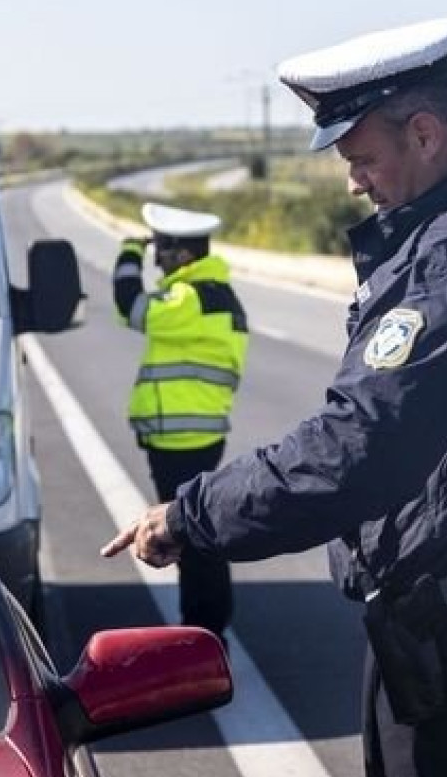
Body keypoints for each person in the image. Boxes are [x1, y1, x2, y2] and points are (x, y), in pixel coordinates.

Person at [103, 17, 447, 777]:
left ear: (424, 133)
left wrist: (189, 517)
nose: (354, 180)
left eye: (362, 157)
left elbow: (357, 448)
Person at [111, 202, 249, 640]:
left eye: (162, 250)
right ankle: (206, 628)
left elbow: (129, 307)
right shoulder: (205, 293)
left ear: (184, 256)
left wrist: (129, 252)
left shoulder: (191, 297)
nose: (157, 259)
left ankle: (204, 632)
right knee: (193, 530)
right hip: (191, 433)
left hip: (185, 437)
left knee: (192, 535)